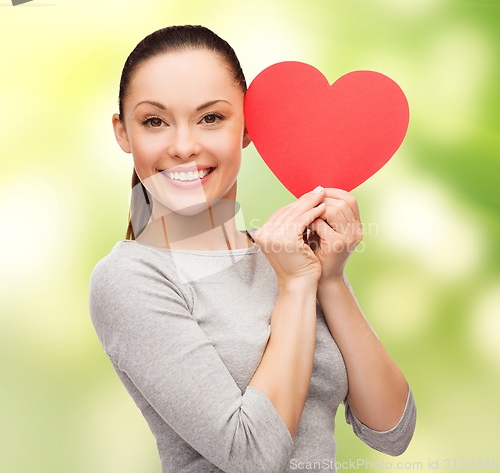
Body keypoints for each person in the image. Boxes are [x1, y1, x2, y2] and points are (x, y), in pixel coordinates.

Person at [88, 25, 416, 473]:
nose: (184, 146)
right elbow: (253, 457)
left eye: (210, 118)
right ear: (123, 133)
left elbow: (392, 430)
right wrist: (297, 287)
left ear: (247, 127)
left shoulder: (285, 254)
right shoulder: (130, 279)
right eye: (154, 121)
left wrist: (331, 279)